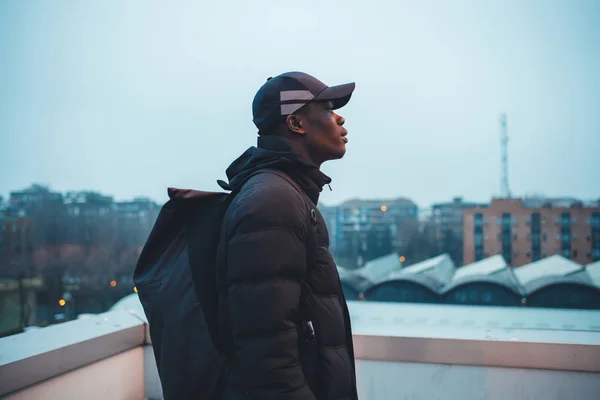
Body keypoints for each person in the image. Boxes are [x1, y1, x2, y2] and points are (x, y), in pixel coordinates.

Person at [215, 72, 358, 400]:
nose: (340, 117)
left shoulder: (284, 192)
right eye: (327, 108)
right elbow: (265, 350)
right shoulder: (274, 201)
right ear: (296, 123)